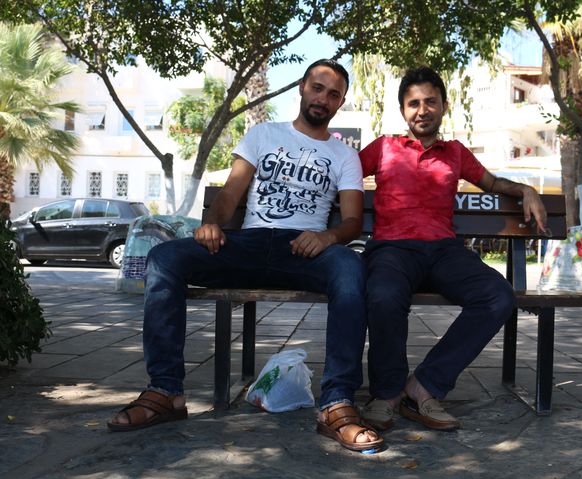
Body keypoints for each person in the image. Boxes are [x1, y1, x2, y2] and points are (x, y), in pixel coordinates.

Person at [107, 59, 382, 452]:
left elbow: (353, 220)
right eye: (318, 88)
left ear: (340, 103)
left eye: (333, 94)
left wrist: (327, 237)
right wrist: (213, 223)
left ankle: (337, 403)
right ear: (303, 88)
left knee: (351, 268)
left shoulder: (343, 156)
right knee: (165, 259)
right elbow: (231, 193)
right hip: (249, 245)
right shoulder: (263, 134)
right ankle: (165, 391)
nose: (324, 98)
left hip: (303, 250)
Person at [359, 66, 548, 431]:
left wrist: (527, 190)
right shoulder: (384, 147)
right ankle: (385, 392)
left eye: (431, 101)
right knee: (383, 295)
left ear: (443, 106)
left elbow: (492, 182)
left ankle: (425, 385)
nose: (422, 110)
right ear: (403, 111)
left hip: (443, 250)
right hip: (392, 249)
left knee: (498, 297)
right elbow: (339, 170)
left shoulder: (456, 152)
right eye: (413, 103)